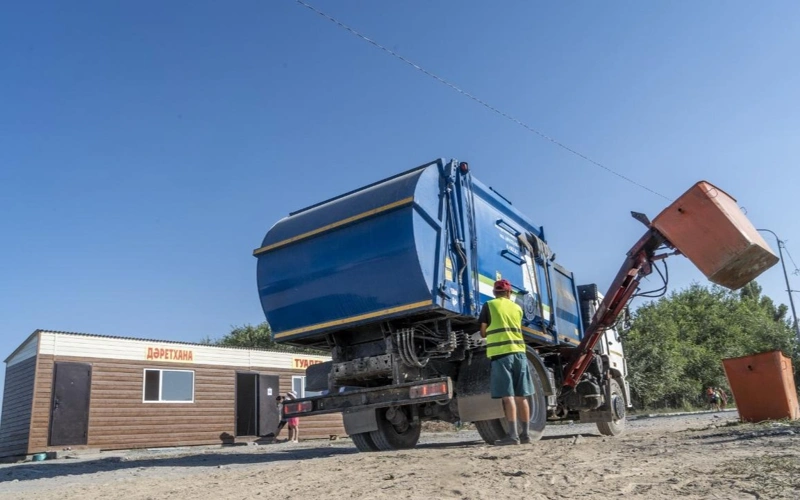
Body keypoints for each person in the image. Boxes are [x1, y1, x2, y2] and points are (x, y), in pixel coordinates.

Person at [479, 279, 533, 446]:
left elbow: (483, 332)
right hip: (519, 353)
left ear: (494, 292)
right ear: (509, 293)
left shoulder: (489, 305)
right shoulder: (517, 308)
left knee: (507, 396)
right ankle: (526, 435)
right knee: (521, 396)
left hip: (501, 354)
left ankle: (513, 436)